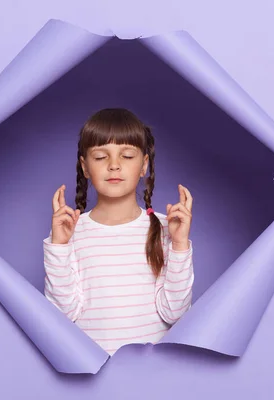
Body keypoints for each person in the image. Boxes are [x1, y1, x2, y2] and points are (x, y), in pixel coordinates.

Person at [42, 108, 194, 356]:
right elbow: (62, 316)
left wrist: (179, 245)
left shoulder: (168, 228)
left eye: (127, 156)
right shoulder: (70, 232)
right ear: (85, 167)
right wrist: (58, 245)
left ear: (144, 164)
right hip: (90, 377)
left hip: (152, 377)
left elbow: (175, 313)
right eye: (101, 157)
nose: (114, 165)